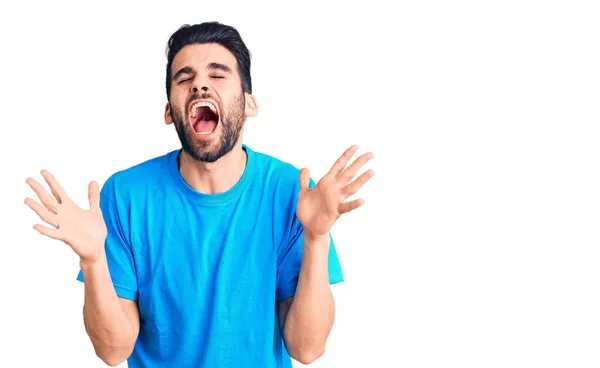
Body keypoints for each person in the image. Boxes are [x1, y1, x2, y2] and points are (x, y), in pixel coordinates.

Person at [24, 21, 374, 368]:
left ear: (249, 103)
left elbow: (307, 349)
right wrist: (93, 260)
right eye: (184, 78)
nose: (200, 85)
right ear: (168, 111)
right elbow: (113, 351)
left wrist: (316, 237)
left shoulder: (291, 194)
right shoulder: (124, 196)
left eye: (218, 75)